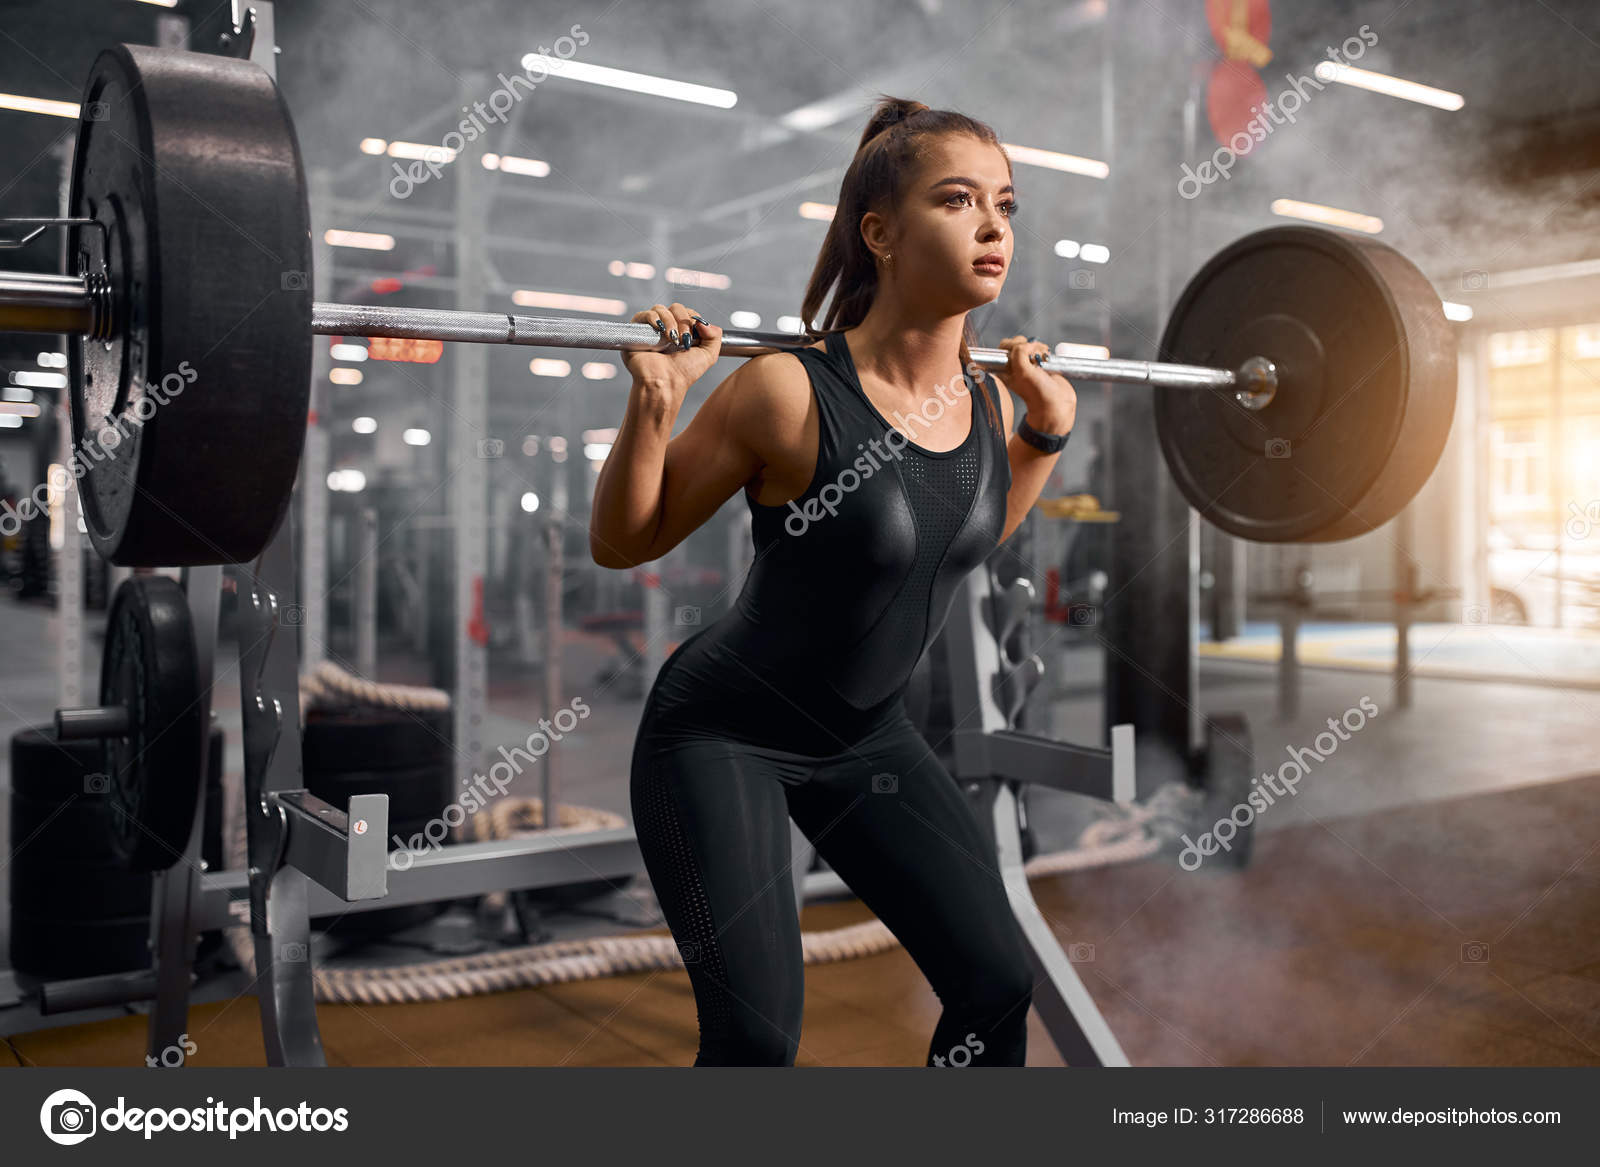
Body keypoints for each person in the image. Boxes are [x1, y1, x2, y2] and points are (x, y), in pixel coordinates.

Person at [589, 96, 1077, 1066]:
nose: (992, 227)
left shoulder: (985, 398)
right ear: (880, 233)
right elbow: (625, 541)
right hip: (721, 733)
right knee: (756, 1044)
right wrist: (654, 404)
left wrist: (1044, 434)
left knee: (994, 986)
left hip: (864, 740)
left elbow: (961, 540)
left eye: (1005, 205)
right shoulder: (786, 387)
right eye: (957, 200)